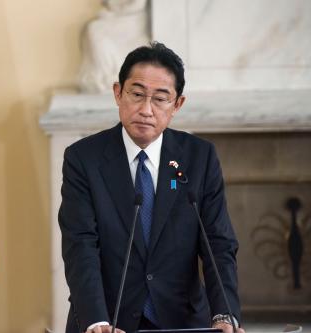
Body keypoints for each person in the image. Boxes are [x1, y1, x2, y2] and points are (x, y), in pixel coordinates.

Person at [58, 42, 246, 333]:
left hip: (181, 323)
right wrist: (97, 320)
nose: (146, 110)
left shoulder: (199, 158)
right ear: (118, 93)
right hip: (109, 321)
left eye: (160, 99)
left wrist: (225, 314)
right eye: (136, 94)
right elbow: (80, 244)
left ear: (177, 105)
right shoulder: (83, 159)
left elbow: (218, 245)